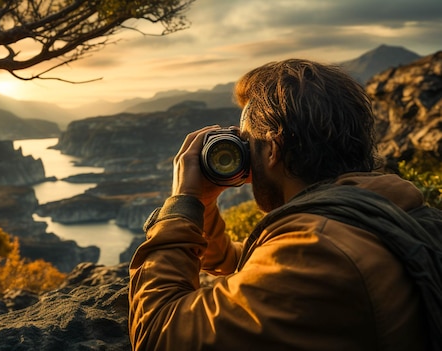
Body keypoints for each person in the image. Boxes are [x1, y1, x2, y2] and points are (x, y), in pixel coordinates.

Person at [129, 59, 441, 350]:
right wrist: (205, 204)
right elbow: (241, 263)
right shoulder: (388, 210)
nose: (246, 154)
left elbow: (158, 331)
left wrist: (183, 201)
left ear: (273, 149)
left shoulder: (319, 248)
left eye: (249, 142)